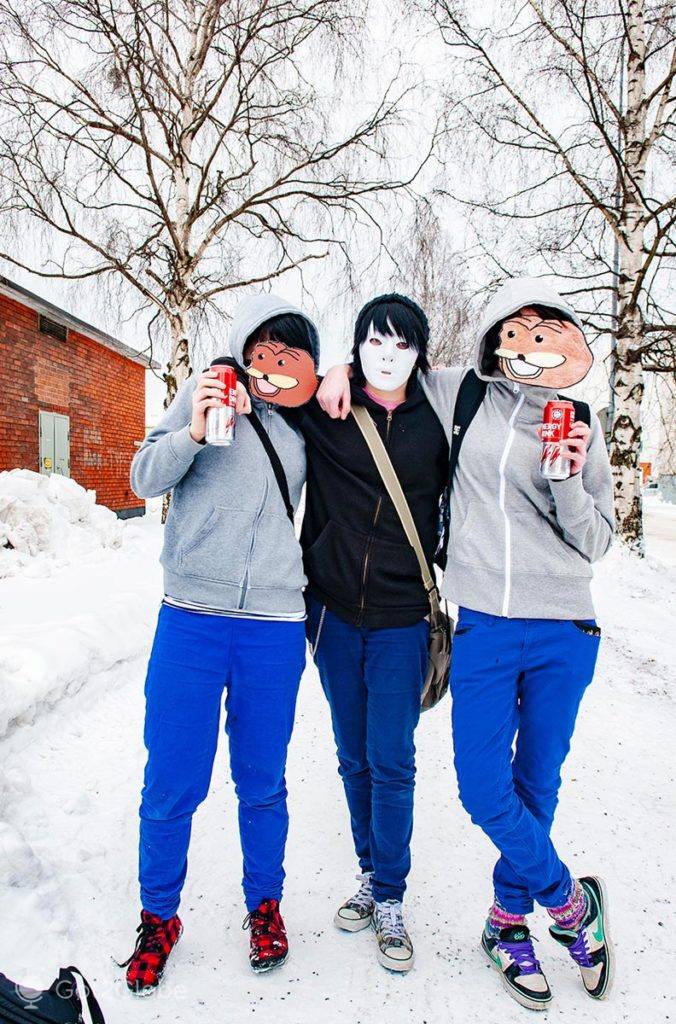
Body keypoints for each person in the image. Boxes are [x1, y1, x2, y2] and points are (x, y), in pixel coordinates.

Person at [320, 279, 614, 1008]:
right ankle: (571, 903)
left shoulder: (580, 419)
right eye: (518, 331)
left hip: (564, 630)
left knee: (536, 784)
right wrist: (336, 369)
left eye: (549, 332)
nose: (531, 346)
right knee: (484, 787)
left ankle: (508, 921)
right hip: (482, 620)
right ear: (494, 337)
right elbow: (390, 372)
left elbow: (598, 540)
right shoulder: (465, 395)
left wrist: (571, 479)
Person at [122, 294, 319, 993]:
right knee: (173, 779)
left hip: (272, 628)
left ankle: (265, 906)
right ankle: (158, 917)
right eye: (262, 348)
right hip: (192, 619)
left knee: (262, 782)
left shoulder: (307, 424)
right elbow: (143, 478)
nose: (272, 364)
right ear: (242, 348)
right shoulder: (204, 392)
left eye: (289, 353)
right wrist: (195, 433)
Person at [281, 294, 449, 972]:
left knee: (392, 760)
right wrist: (330, 372)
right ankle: (368, 871)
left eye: (402, 343)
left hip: (403, 618)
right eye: (374, 341)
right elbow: (267, 377)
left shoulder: (437, 420)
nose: (388, 353)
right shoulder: (327, 411)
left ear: (418, 352)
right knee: (353, 757)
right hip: (331, 614)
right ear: (357, 346)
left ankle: (390, 897)